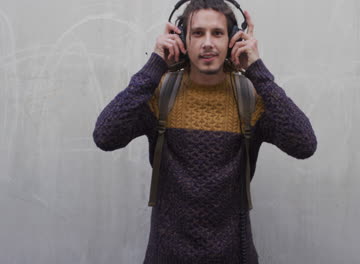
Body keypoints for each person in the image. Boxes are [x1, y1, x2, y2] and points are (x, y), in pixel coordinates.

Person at [92, 0, 317, 263]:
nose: (208, 43)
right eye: (198, 33)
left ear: (233, 39)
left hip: (234, 255)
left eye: (218, 33)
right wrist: (155, 64)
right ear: (182, 39)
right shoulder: (160, 95)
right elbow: (105, 135)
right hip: (166, 256)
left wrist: (257, 70)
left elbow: (304, 143)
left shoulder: (250, 98)